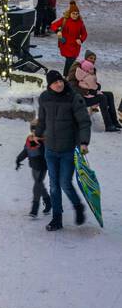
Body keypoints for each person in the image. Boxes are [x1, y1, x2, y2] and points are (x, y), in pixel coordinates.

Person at [34, 70, 90, 231]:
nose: (59, 84)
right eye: (55, 82)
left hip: (68, 150)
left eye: (60, 81)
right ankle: (56, 219)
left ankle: (78, 206)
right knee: (53, 185)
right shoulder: (44, 98)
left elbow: (84, 123)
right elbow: (42, 120)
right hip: (50, 150)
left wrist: (84, 142)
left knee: (64, 183)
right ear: (49, 85)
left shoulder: (74, 98)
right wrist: (37, 134)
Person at [68, 53, 121, 133]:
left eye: (94, 59)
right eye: (91, 58)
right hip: (79, 98)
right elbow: (71, 86)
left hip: (88, 94)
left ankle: (114, 122)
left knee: (109, 94)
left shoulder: (90, 68)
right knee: (102, 98)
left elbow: (92, 84)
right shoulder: (77, 68)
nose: (93, 60)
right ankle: (108, 125)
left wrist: (97, 87)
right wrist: (87, 91)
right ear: (86, 58)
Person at [15, 124, 51, 218]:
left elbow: (49, 153)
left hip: (42, 166)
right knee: (39, 184)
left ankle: (34, 209)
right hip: (34, 166)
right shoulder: (30, 139)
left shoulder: (44, 141)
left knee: (37, 185)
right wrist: (18, 159)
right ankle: (48, 202)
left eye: (37, 130)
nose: (35, 132)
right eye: (33, 130)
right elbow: (26, 150)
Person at [51, 2, 88, 77]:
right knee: (69, 60)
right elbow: (53, 25)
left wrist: (81, 40)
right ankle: (67, 76)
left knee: (71, 61)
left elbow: (84, 34)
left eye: (76, 14)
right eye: (73, 13)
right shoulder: (64, 20)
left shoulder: (80, 23)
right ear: (70, 13)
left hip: (75, 46)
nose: (75, 15)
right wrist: (57, 31)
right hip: (66, 45)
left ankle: (68, 76)